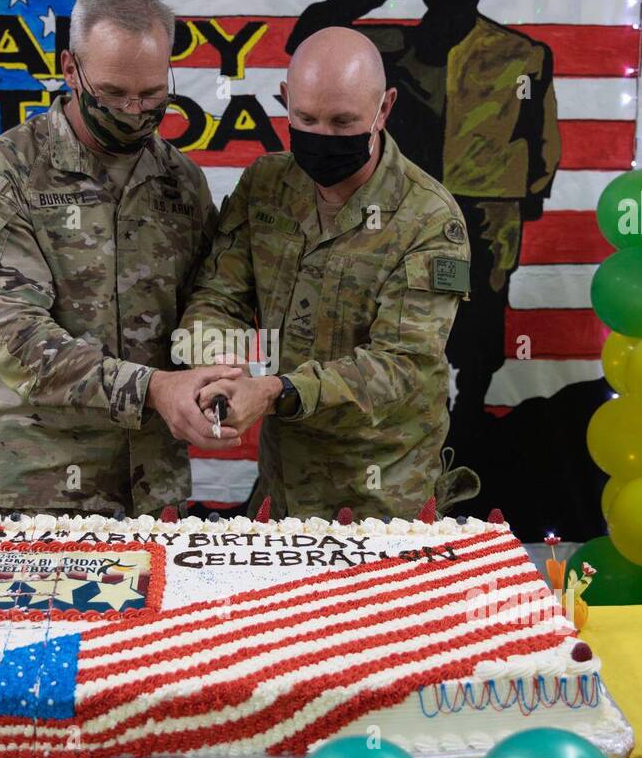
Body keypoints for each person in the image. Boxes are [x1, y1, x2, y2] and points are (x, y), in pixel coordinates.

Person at [0, 0, 241, 517]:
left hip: (154, 487)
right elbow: (16, 339)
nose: (132, 110)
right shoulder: (6, 174)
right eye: (112, 93)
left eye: (151, 95)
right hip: (38, 490)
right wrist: (153, 390)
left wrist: (215, 369)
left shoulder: (181, 181)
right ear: (70, 69)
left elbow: (210, 297)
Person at [181, 27, 475, 520]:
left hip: (383, 495)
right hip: (280, 484)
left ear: (384, 109)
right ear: (284, 101)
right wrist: (220, 372)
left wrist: (275, 391)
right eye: (306, 119)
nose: (324, 137)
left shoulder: (430, 221)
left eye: (344, 122)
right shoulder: (265, 186)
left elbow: (400, 365)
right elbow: (219, 297)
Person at [287, 0, 560, 449]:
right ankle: (419, 407)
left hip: (489, 209)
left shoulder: (523, 53)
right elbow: (311, 31)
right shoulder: (396, 45)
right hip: (414, 209)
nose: (456, 1)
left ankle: (471, 413)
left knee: (485, 307)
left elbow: (542, 133)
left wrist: (534, 192)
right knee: (419, 304)